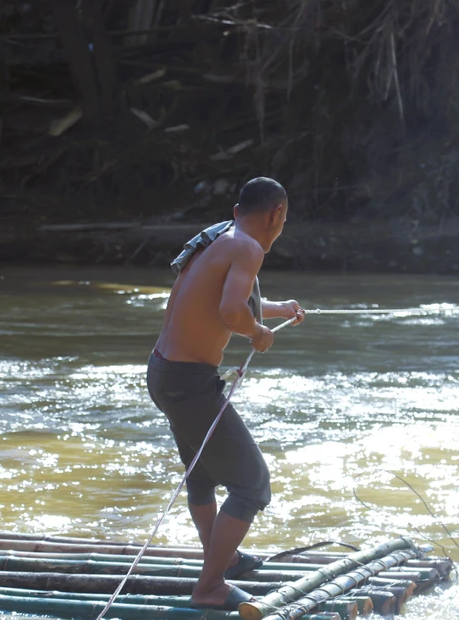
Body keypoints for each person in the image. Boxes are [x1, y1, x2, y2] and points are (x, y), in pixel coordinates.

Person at [147, 177, 305, 610]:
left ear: (238, 210)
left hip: (163, 373)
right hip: (188, 382)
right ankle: (210, 585)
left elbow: (229, 298)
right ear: (275, 213)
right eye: (284, 220)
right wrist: (259, 334)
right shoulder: (249, 249)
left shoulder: (220, 237)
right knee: (252, 484)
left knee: (202, 472)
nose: (281, 228)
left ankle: (224, 560)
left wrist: (280, 310)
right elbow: (232, 312)